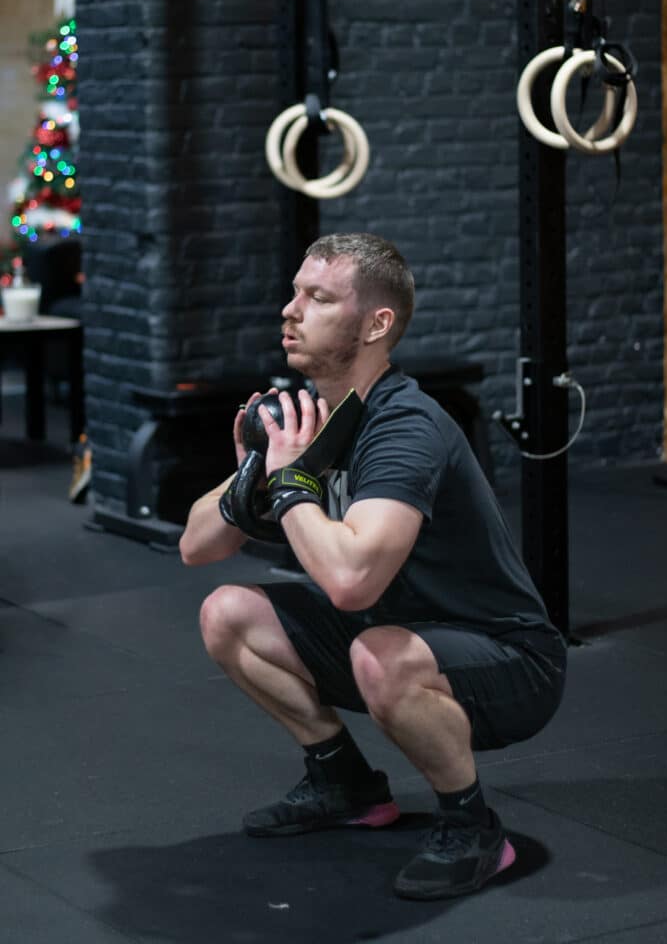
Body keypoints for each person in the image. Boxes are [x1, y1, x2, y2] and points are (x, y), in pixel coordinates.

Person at [179, 232, 567, 901]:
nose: (289, 311)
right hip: (384, 630)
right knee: (228, 614)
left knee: (379, 655)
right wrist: (253, 480)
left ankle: (473, 827)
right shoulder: (312, 420)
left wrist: (290, 483)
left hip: (507, 659)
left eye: (318, 298)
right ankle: (344, 784)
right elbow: (197, 545)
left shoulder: (404, 426)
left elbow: (350, 580)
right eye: (295, 293)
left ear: (376, 324)